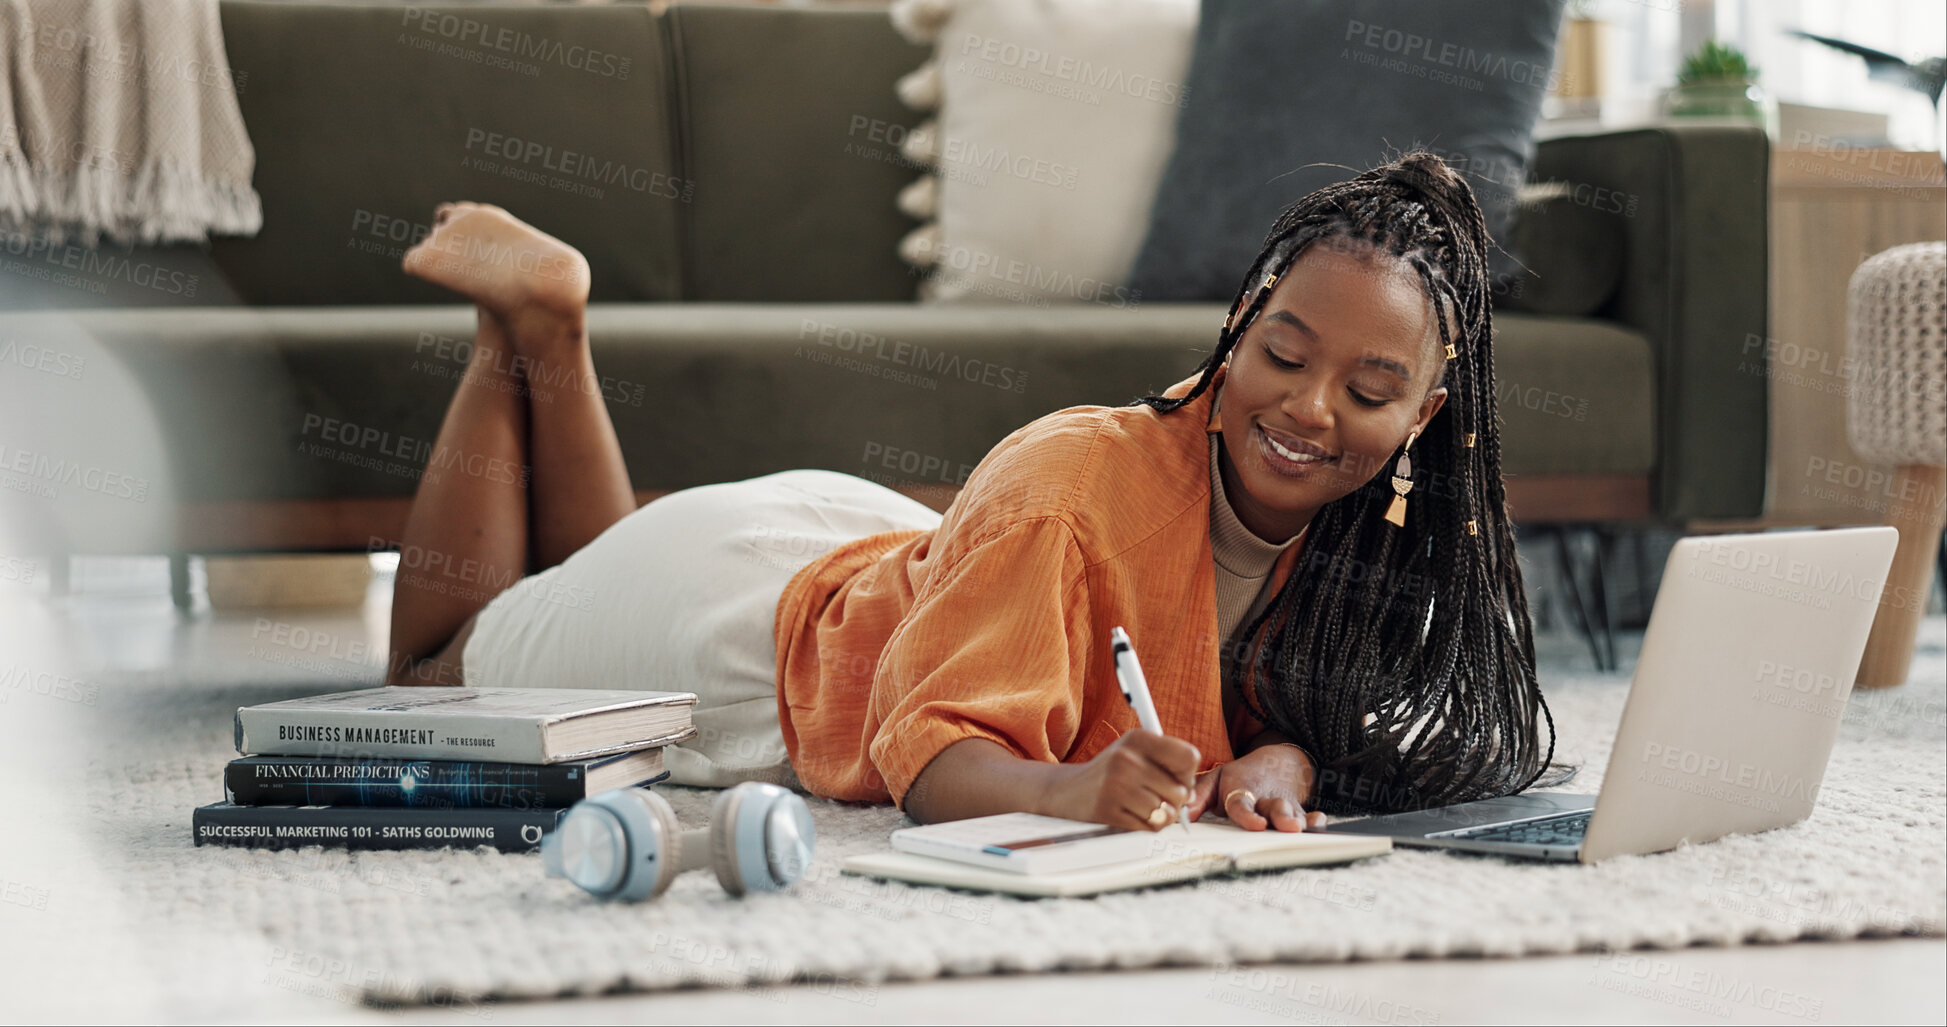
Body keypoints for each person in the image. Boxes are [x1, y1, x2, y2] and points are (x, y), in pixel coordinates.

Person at [384, 150, 1556, 835]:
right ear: (1238, 332)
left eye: (1368, 388)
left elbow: (1303, 702)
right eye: (1284, 358)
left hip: (914, 560)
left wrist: (1288, 758)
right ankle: (525, 318)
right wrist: (1071, 789)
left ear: (1423, 420)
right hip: (757, 636)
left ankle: (551, 325)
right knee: (436, 670)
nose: (1309, 412)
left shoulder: (1371, 528)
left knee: (575, 584)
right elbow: (928, 752)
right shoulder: (1078, 487)